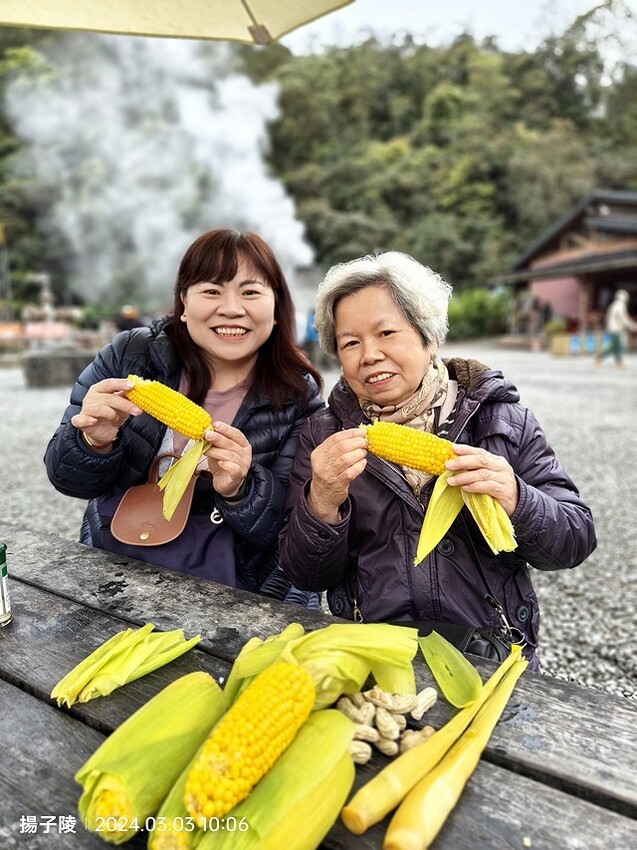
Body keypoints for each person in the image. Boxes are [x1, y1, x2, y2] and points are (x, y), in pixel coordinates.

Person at [279, 251, 597, 667]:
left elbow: (575, 539)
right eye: (350, 342)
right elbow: (305, 575)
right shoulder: (322, 435)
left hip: (488, 655)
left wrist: (518, 498)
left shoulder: (502, 420)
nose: (369, 354)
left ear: (429, 338)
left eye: (387, 333)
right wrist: (321, 500)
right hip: (375, 655)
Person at [45, 228, 324, 606]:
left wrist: (241, 488)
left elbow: (296, 529)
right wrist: (92, 442)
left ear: (277, 307)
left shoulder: (297, 395)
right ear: (184, 302)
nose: (231, 308)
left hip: (240, 592)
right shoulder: (131, 355)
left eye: (250, 291)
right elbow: (68, 480)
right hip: (121, 573)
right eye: (211, 290)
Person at [596, 289, 637, 368]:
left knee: (615, 346)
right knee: (616, 346)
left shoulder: (614, 305)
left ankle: (604, 359)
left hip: (612, 328)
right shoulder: (620, 305)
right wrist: (632, 326)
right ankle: (614, 361)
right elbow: (623, 318)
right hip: (616, 329)